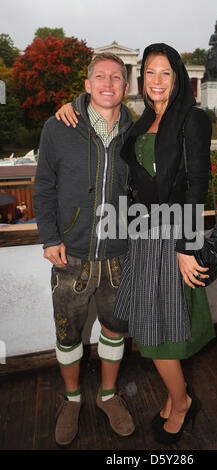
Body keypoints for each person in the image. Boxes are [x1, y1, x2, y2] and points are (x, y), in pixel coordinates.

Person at [112, 43, 215, 445]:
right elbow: (103, 98)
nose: (156, 80)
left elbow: (197, 184)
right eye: (150, 73)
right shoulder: (142, 121)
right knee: (148, 327)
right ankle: (178, 399)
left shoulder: (192, 118)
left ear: (178, 78)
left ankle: (182, 402)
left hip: (172, 236)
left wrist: (187, 247)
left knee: (159, 337)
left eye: (165, 73)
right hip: (143, 235)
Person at [33, 52, 135, 446]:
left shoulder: (137, 131)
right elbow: (43, 187)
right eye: (100, 77)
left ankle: (108, 396)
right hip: (70, 255)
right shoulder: (58, 127)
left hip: (119, 255)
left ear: (126, 87)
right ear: (88, 84)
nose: (108, 83)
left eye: (116, 78)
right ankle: (72, 399)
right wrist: (49, 237)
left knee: (115, 329)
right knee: (68, 334)